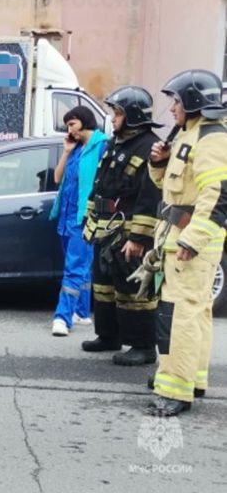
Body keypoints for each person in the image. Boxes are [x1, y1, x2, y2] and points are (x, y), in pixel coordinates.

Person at [142, 69, 227, 416]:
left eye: (175, 101)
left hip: (192, 242)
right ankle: (190, 378)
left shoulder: (211, 137)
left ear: (192, 101)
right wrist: (157, 163)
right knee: (194, 312)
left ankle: (174, 390)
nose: (171, 108)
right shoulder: (189, 135)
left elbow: (218, 194)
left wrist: (192, 240)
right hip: (178, 236)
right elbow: (176, 188)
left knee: (177, 315)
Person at [81, 86, 162, 365]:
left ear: (133, 115)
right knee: (103, 286)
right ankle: (109, 335)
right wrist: (89, 221)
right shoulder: (116, 143)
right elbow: (100, 186)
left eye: (117, 113)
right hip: (105, 229)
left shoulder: (150, 146)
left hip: (128, 233)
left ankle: (143, 346)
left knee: (133, 292)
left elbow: (150, 197)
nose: (112, 118)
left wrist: (138, 237)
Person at [49, 106, 109, 336]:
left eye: (72, 124)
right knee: (80, 266)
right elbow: (57, 178)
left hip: (84, 217)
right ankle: (82, 313)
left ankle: (62, 318)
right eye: (67, 125)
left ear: (84, 121)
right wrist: (66, 151)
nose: (69, 129)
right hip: (66, 216)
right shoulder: (75, 148)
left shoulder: (101, 146)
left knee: (73, 267)